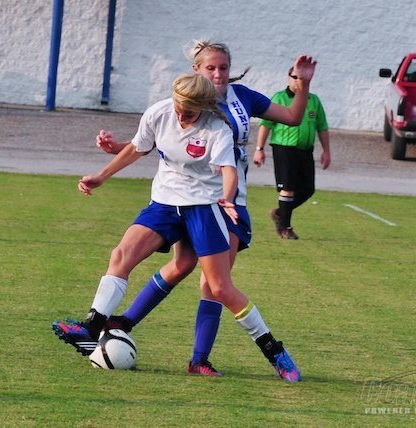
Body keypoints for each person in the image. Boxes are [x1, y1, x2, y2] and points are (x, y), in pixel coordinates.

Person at [55, 41, 316, 381]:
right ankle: (94, 326)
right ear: (196, 71)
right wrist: (103, 173)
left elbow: (231, 168)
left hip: (214, 204)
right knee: (131, 255)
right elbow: (143, 144)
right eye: (211, 68)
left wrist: (227, 198)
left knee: (216, 286)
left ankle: (261, 353)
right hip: (167, 201)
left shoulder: (222, 123)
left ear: (203, 107)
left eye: (223, 67)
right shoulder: (162, 111)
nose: (218, 74)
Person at [254, 67, 330, 240]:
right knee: (287, 188)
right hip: (284, 148)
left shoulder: (314, 100)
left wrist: (326, 151)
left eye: (300, 77)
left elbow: (322, 127)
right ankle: (285, 228)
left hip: (305, 150)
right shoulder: (280, 98)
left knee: (308, 189)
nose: (297, 80)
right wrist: (259, 149)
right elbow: (266, 124)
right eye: (294, 77)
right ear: (288, 78)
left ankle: (280, 213)